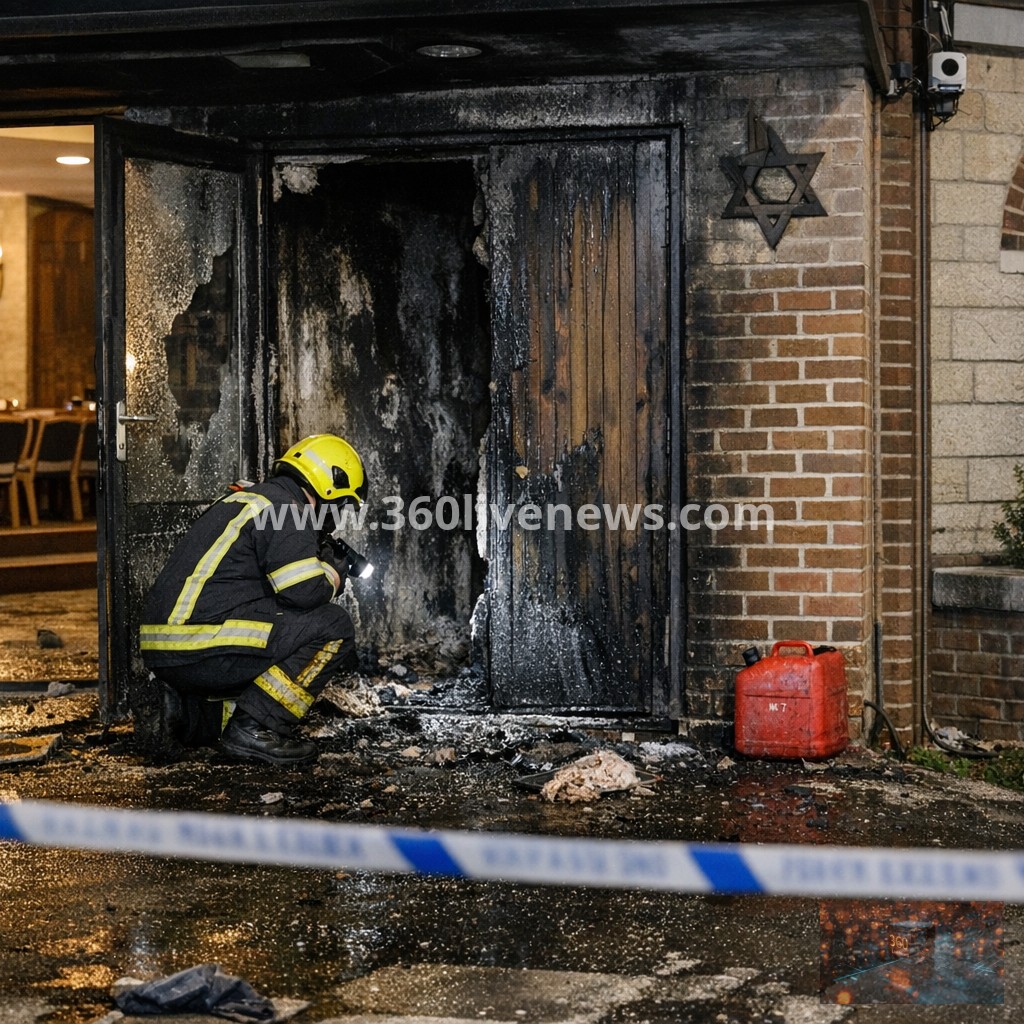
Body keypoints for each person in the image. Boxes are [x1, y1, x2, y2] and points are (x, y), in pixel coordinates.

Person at [139, 433, 367, 766]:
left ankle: (184, 714)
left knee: (277, 643)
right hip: (196, 640)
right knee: (334, 625)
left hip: (167, 646)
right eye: (343, 505)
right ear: (329, 491)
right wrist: (333, 572)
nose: (339, 516)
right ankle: (254, 729)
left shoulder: (252, 498)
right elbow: (304, 593)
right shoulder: (288, 509)